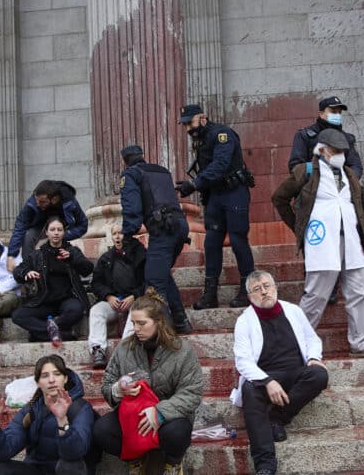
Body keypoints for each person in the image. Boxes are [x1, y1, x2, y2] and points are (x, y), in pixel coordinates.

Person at [272, 129, 364, 358]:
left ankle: (360, 343)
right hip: (322, 241)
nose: (340, 155)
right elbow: (279, 198)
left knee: (358, 291)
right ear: (322, 150)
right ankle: (296, 343)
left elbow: (363, 196)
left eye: (342, 151)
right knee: (316, 294)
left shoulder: (348, 174)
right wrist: (299, 227)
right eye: (335, 151)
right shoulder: (305, 171)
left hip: (352, 240)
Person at [231, 271, 329, 475]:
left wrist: (313, 358)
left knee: (319, 375)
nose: (264, 292)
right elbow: (243, 360)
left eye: (267, 286)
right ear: (250, 297)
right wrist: (267, 381)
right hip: (264, 376)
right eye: (257, 289)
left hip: (295, 373)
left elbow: (312, 339)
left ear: (275, 288)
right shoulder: (244, 321)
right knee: (250, 390)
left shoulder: (293, 311)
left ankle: (277, 417)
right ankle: (265, 464)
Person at [95, 293, 203, 475]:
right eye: (133, 323)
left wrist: (160, 412)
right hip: (134, 418)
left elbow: (192, 392)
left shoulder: (182, 351)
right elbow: (107, 384)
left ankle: (173, 463)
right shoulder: (124, 349)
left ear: (159, 322)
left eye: (142, 323)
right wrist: (119, 390)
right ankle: (135, 458)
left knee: (178, 432)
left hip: (168, 419)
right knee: (101, 430)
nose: (136, 329)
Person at [288, 95, 364, 306]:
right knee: (316, 242)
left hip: (340, 198)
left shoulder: (347, 139)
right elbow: (295, 165)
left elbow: (356, 166)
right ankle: (317, 285)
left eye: (339, 112)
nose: (337, 115)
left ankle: (336, 284)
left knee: (343, 241)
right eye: (333, 111)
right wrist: (320, 175)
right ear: (321, 113)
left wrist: (347, 180)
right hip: (315, 200)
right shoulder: (305, 136)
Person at [175, 104, 254, 310]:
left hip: (234, 193)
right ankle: (210, 294)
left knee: (238, 240)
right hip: (215, 197)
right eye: (184, 125)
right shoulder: (200, 139)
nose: (188, 129)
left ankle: (248, 289)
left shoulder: (222, 134)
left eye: (190, 123)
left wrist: (194, 184)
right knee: (211, 243)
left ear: (202, 118)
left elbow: (221, 164)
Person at [118, 144, 192, 334]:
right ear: (142, 156)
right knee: (161, 273)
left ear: (125, 162)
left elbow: (131, 206)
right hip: (180, 226)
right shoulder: (162, 171)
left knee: (154, 281)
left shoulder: (130, 175)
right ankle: (181, 320)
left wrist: (128, 233)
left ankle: (163, 330)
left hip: (162, 229)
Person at [0, 354, 96, 475]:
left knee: (69, 466)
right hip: (37, 469)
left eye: (57, 374)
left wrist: (62, 419)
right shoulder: (32, 409)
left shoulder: (81, 408)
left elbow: (75, 452)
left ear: (65, 378)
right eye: (45, 376)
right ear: (37, 382)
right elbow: (1, 453)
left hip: (68, 469)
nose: (51, 380)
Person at [12, 216, 94, 342]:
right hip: (44, 300)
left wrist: (72, 258)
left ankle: (40, 333)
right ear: (47, 232)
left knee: (76, 310)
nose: (56, 233)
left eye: (59, 230)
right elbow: (17, 271)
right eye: (53, 229)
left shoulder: (72, 251)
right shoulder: (37, 255)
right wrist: (26, 272)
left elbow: (88, 269)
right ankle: (62, 334)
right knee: (18, 316)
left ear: (64, 232)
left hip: (68, 299)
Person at [89, 223, 145, 368]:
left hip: (136, 299)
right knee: (96, 311)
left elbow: (148, 280)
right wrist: (108, 296)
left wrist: (134, 296)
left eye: (121, 233)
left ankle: (125, 351)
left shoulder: (140, 254)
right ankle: (98, 350)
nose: (118, 236)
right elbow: (96, 283)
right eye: (114, 233)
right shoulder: (106, 258)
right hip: (114, 301)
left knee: (137, 312)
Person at [7, 180, 89, 272]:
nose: (38, 204)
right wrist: (11, 255)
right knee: (28, 236)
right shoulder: (34, 202)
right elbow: (20, 225)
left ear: (54, 199)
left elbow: (83, 224)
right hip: (39, 227)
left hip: (61, 231)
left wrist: (62, 235)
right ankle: (29, 271)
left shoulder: (69, 201)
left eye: (42, 202)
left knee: (55, 234)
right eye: (37, 200)